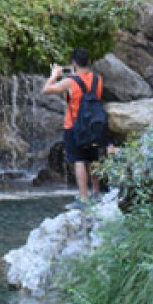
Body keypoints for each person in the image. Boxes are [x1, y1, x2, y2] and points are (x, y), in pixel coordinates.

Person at [42, 48, 106, 208]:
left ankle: (83, 197)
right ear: (89, 62)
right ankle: (97, 193)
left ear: (74, 63)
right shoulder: (98, 79)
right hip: (94, 125)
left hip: (74, 126)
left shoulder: (70, 81)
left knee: (79, 161)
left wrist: (54, 75)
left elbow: (46, 90)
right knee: (93, 159)